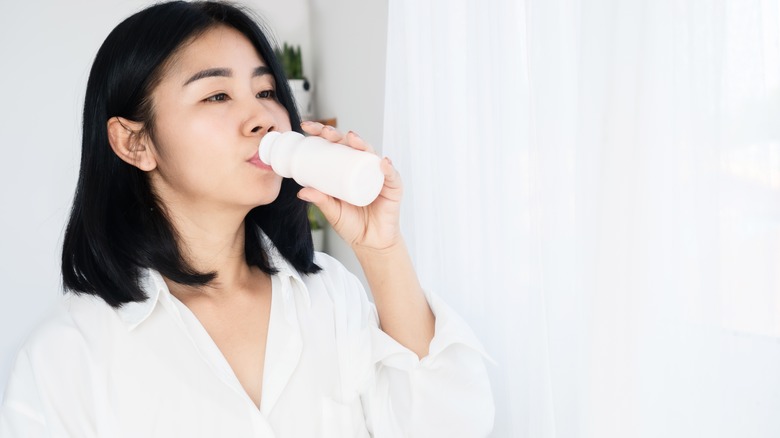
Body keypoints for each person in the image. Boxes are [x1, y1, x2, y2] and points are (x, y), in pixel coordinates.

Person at [0, 1, 493, 436]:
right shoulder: (67, 357)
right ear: (136, 142)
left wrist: (381, 250)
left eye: (265, 92)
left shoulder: (328, 297)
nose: (262, 118)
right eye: (217, 95)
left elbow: (450, 427)